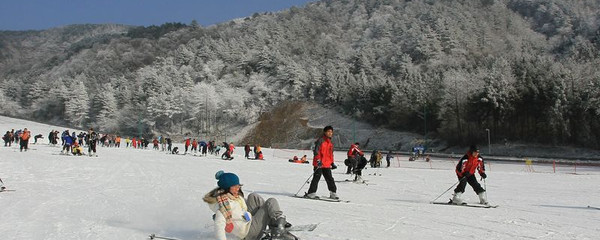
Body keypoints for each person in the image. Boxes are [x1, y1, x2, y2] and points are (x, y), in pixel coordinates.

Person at [203, 171, 297, 240]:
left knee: (253, 196)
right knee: (271, 202)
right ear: (227, 188)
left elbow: (241, 207)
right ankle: (278, 228)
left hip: (247, 222)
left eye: (238, 186)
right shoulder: (224, 206)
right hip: (249, 233)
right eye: (235, 186)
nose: (238, 188)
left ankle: (276, 221)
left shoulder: (231, 197)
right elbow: (219, 225)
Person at [305, 126, 338, 199]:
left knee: (330, 178)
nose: (330, 133)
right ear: (325, 132)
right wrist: (318, 161)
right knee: (316, 178)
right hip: (319, 163)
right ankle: (311, 193)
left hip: (326, 164)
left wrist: (332, 163)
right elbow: (316, 152)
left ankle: (333, 193)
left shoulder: (330, 143)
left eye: (331, 132)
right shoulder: (320, 141)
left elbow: (330, 154)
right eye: (328, 131)